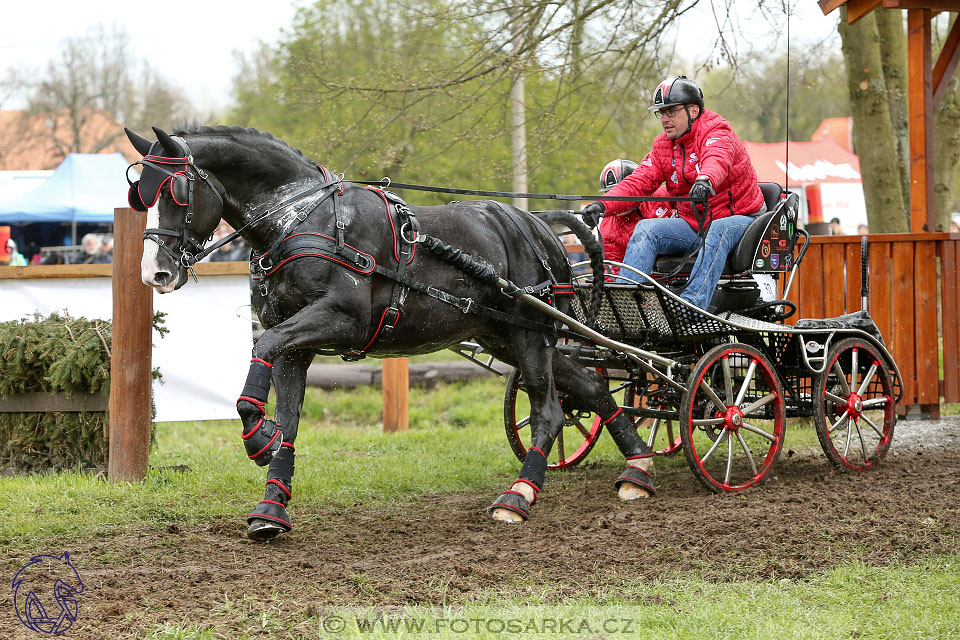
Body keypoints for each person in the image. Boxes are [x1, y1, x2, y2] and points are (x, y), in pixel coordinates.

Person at [580, 75, 764, 311]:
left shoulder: (717, 130)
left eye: (672, 111)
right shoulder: (662, 145)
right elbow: (638, 181)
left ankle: (691, 307)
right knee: (647, 229)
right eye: (661, 113)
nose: (665, 119)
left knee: (718, 230)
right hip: (695, 224)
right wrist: (602, 206)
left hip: (742, 218)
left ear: (693, 110)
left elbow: (717, 158)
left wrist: (705, 180)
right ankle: (625, 306)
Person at [591, 159, 673, 268]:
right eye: (609, 193)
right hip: (644, 275)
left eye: (623, 193)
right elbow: (615, 272)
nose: (617, 202)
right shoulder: (607, 231)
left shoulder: (660, 195)